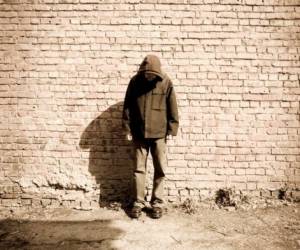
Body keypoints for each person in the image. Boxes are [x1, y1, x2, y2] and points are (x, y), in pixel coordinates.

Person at [122, 55, 179, 219]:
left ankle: (157, 203)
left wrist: (172, 128)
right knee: (138, 169)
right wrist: (127, 128)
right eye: (147, 74)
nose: (149, 77)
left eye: (152, 75)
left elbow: (172, 106)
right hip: (139, 133)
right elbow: (127, 106)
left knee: (160, 169)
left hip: (159, 134)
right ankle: (138, 203)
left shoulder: (166, 82)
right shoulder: (135, 82)